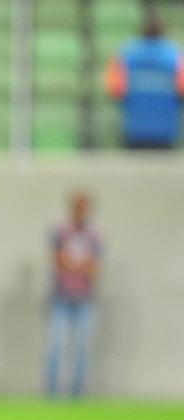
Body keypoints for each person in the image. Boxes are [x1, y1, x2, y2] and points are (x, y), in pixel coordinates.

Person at [45, 192, 102, 398]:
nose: (80, 211)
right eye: (77, 206)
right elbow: (57, 260)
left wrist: (73, 264)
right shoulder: (60, 232)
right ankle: (52, 392)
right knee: (56, 345)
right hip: (61, 296)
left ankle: (77, 393)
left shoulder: (94, 235)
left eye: (83, 207)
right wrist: (78, 265)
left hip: (85, 298)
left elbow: (94, 267)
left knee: (82, 348)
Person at [105, 10, 184, 149]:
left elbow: (115, 90)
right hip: (166, 132)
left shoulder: (126, 54)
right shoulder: (175, 56)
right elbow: (181, 90)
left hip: (134, 130)